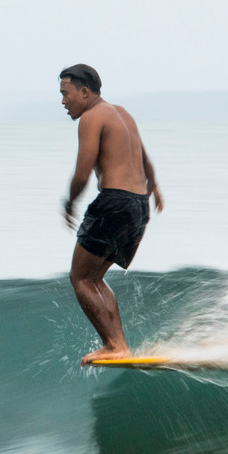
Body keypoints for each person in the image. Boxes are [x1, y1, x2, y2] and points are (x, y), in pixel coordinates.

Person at [59, 64, 164, 365]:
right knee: (95, 278)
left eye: (66, 94)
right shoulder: (122, 113)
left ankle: (113, 344)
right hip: (137, 205)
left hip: (114, 202)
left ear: (84, 91)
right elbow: (145, 159)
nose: (63, 101)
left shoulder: (92, 118)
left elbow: (82, 172)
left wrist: (70, 202)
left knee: (80, 277)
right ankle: (119, 345)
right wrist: (154, 189)